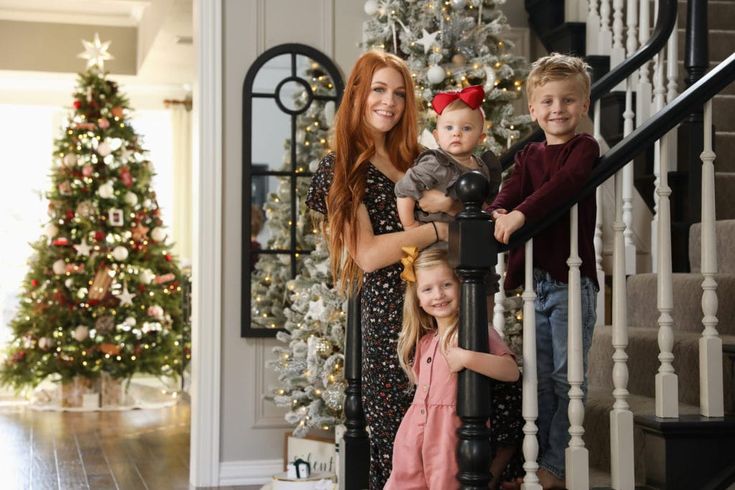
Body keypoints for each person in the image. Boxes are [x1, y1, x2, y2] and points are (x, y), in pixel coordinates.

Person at [305, 50, 449, 489]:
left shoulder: (421, 158)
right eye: (379, 89)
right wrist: (437, 231)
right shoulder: (341, 167)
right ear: (358, 93)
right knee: (400, 443)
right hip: (389, 315)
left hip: (442, 306)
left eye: (400, 93)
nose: (389, 102)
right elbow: (366, 254)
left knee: (451, 434)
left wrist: (447, 225)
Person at [488, 53, 600, 490]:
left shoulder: (583, 148)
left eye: (568, 100)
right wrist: (498, 212)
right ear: (533, 109)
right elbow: (509, 193)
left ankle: (556, 465)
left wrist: (519, 217)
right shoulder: (530, 154)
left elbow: (564, 186)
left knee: (565, 377)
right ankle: (539, 465)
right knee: (540, 378)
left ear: (585, 104)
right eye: (548, 101)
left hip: (573, 284)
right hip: (537, 285)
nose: (558, 109)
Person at [385, 246, 521, 490]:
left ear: (460, 284)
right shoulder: (426, 341)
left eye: (446, 284)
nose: (438, 295)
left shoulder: (475, 332)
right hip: (412, 438)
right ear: (417, 298)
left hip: (448, 435)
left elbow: (510, 371)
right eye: (427, 289)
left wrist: (467, 358)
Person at [395, 85, 502, 229]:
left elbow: (478, 203)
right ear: (437, 136)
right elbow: (405, 189)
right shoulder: (435, 162)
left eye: (466, 128)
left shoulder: (482, 167)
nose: (456, 133)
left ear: (480, 138)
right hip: (434, 241)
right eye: (449, 127)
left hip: (466, 236)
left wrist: (491, 213)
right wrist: (410, 224)